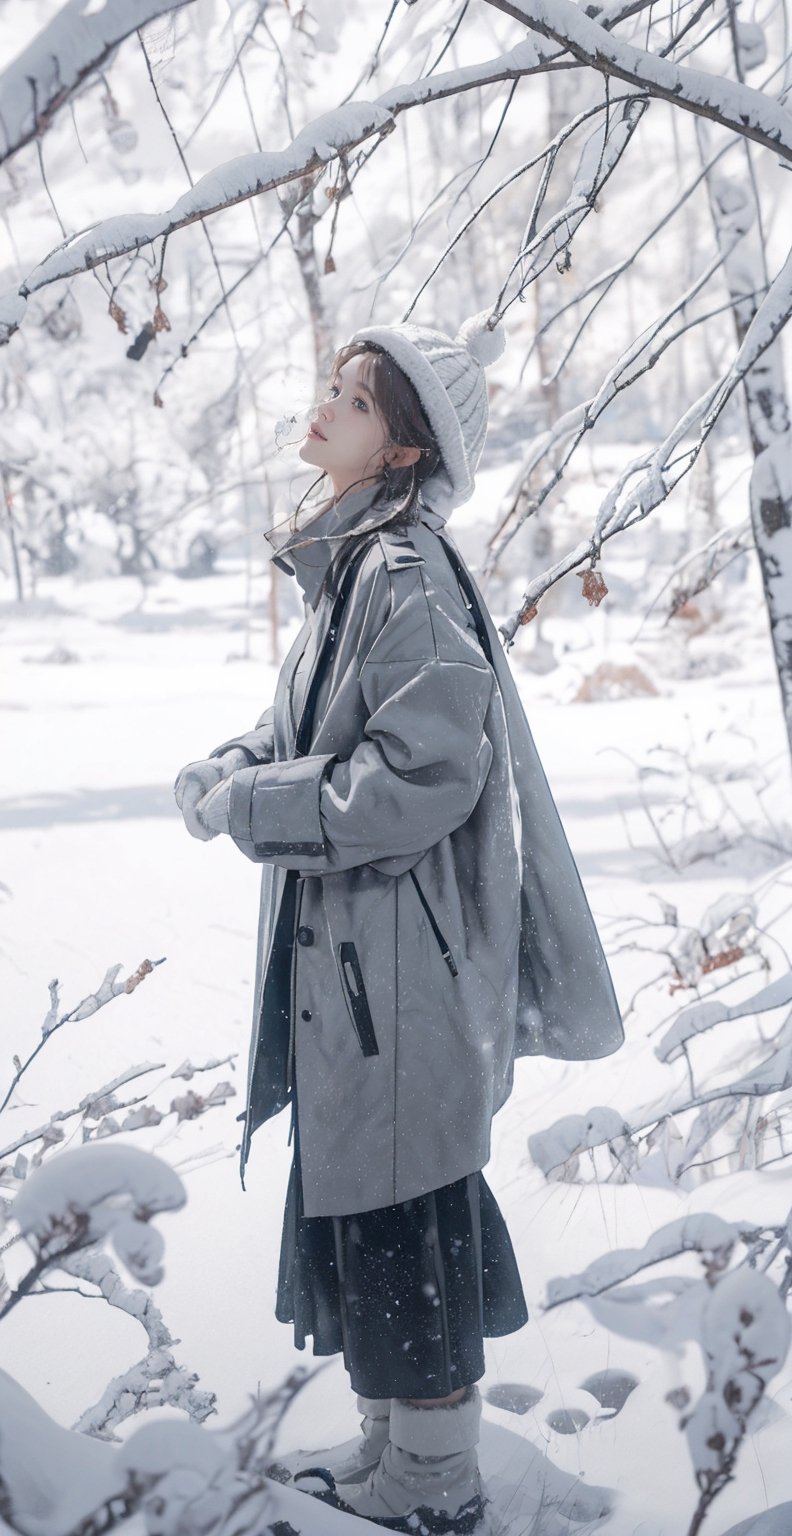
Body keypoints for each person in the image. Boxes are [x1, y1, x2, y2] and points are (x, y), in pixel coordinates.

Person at [173, 311, 624, 1534]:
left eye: (358, 401)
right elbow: (315, 735)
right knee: (367, 1210)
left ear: (407, 451)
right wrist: (233, 762)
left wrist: (255, 803)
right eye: (332, 384)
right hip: (358, 973)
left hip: (398, 975)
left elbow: (419, 780)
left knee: (404, 1219)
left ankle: (435, 1483)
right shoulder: (354, 570)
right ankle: (390, 1450)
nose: (326, 405)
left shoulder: (406, 575)